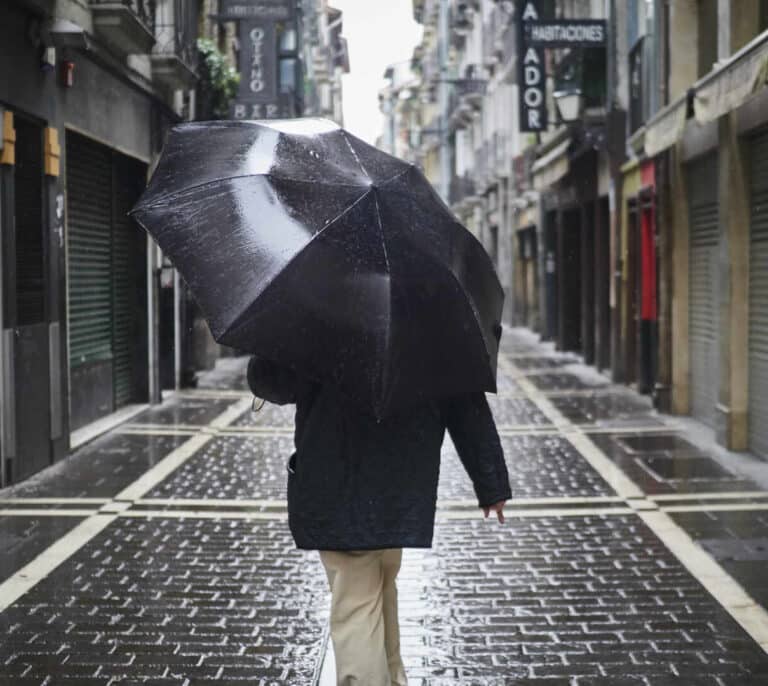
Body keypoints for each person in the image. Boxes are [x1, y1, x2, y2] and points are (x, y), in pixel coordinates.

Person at [247, 356, 511, 686]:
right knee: (379, 591)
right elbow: (462, 396)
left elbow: (276, 383)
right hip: (398, 485)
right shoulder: (427, 314)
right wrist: (491, 482)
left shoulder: (320, 313)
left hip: (337, 480)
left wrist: (263, 358)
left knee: (357, 606)